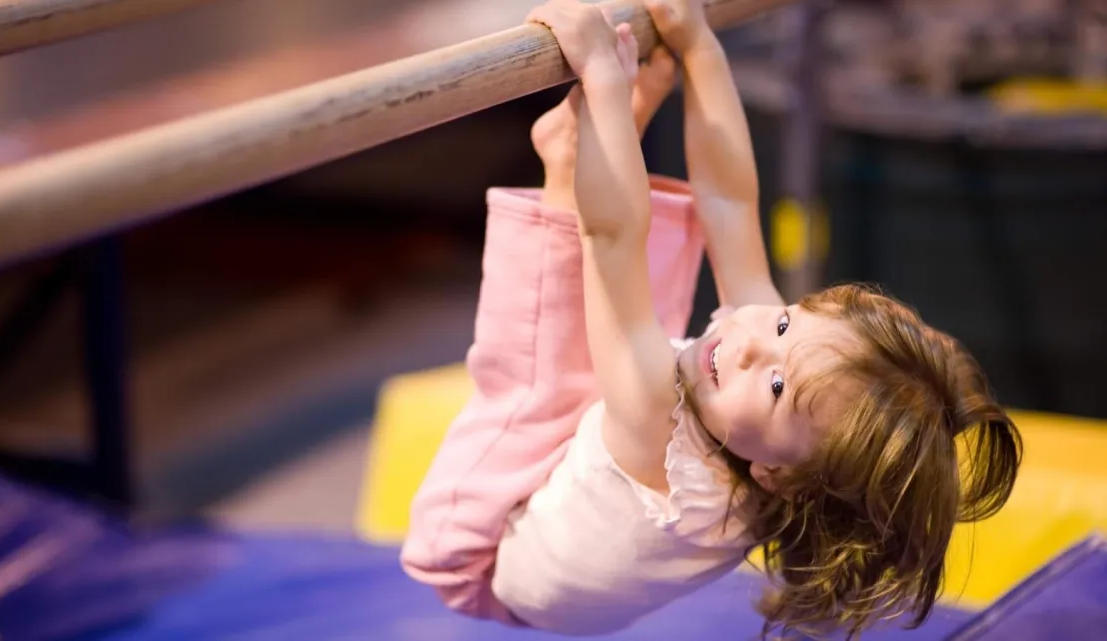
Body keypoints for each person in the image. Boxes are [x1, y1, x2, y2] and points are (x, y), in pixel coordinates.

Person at [402, 1, 1022, 638]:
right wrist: (700, 47)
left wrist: (603, 80)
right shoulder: (777, 425)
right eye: (785, 326)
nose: (753, 348)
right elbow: (729, 199)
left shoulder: (658, 435)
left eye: (779, 388)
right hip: (582, 502)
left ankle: (577, 157)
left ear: (779, 476)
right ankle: (571, 160)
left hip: (480, 554)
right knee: (650, 325)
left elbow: (611, 235)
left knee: (553, 371)